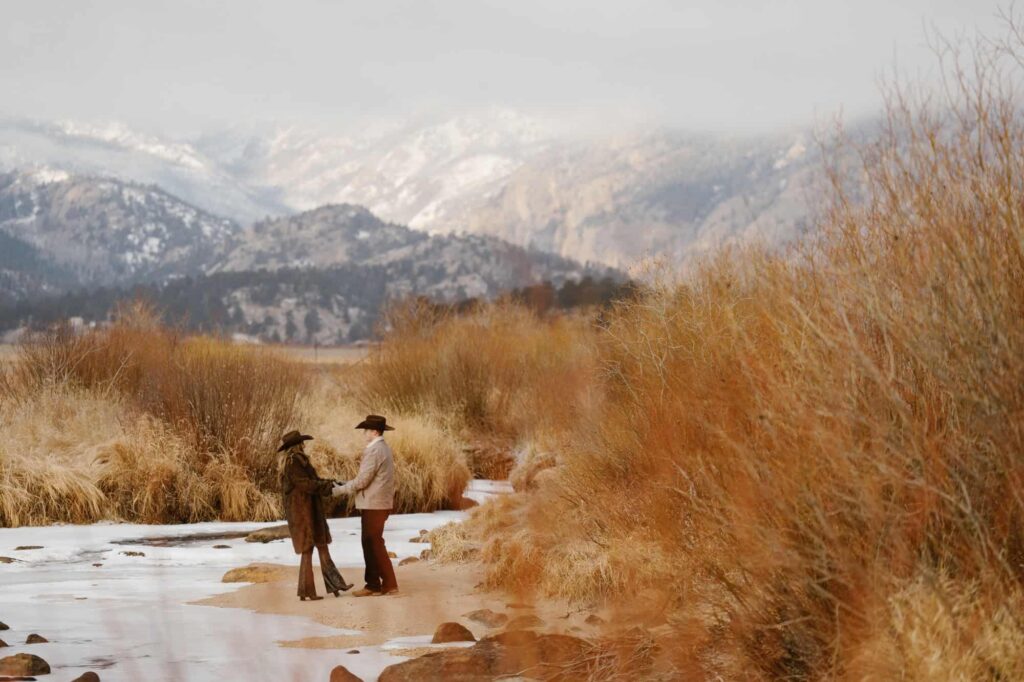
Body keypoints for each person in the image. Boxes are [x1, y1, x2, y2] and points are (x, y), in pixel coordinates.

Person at [278, 430, 353, 601]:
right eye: (301, 443)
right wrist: (327, 487)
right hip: (304, 513)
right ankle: (314, 589)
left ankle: (329, 586)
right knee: (311, 548)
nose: (304, 445)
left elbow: (311, 482)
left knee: (318, 546)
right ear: (297, 446)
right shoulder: (294, 462)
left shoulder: (296, 461)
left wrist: (329, 483)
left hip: (307, 510)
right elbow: (306, 484)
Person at [336, 414, 399, 596]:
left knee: (373, 543)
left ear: (374, 431)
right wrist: (345, 484)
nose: (364, 433)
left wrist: (340, 490)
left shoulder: (375, 450)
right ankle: (379, 584)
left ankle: (380, 585)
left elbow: (363, 480)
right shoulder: (383, 448)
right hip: (379, 503)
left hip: (375, 505)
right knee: (372, 542)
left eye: (366, 430)